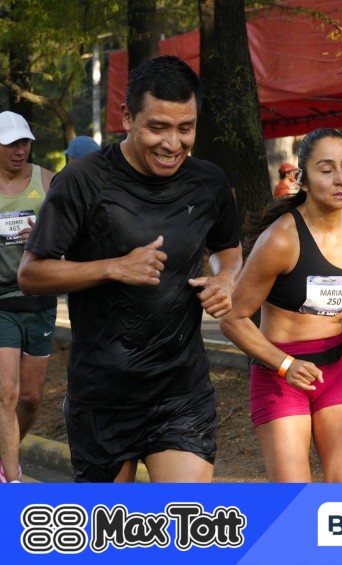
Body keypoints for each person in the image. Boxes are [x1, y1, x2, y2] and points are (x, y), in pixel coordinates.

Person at [17, 55, 243, 483]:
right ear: (127, 117)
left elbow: (228, 248)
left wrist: (225, 278)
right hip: (103, 396)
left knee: (184, 516)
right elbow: (31, 274)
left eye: (185, 128)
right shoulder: (83, 180)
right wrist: (113, 267)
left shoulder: (208, 182)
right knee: (115, 525)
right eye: (157, 127)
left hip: (181, 391)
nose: (172, 144)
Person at [219, 127, 342, 483]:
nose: (340, 179)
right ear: (302, 179)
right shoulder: (280, 239)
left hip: (337, 369)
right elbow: (233, 318)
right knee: (295, 498)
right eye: (326, 170)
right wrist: (286, 365)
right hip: (280, 373)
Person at [0, 112, 56, 483]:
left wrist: (44, 236)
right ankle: (12, 479)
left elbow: (71, 235)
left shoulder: (47, 181)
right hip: (2, 301)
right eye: (11, 144)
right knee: (7, 393)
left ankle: (6, 452)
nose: (20, 150)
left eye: (25, 142)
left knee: (31, 398)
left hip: (39, 300)